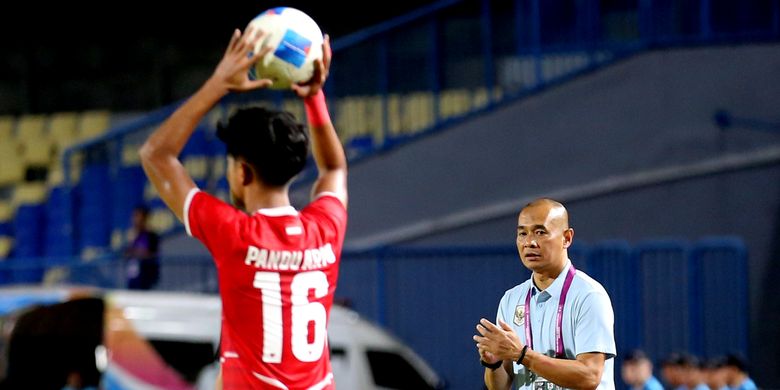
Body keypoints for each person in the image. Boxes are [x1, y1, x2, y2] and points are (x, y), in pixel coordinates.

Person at [139, 25, 347, 389]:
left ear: (243, 171)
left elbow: (156, 154)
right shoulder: (324, 231)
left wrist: (219, 83)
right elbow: (334, 168)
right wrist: (314, 97)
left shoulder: (233, 233)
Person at [473, 198, 616, 390]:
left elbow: (589, 376)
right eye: (522, 233)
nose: (529, 242)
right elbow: (499, 386)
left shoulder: (589, 296)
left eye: (540, 232)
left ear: (567, 238)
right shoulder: (511, 299)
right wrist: (493, 364)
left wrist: (522, 355)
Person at [123, 205, 160, 290]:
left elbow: (152, 254)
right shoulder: (132, 236)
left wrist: (136, 252)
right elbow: (126, 253)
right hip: (132, 278)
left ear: (145, 219)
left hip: (146, 278)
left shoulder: (151, 236)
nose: (135, 220)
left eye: (138, 216)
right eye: (134, 216)